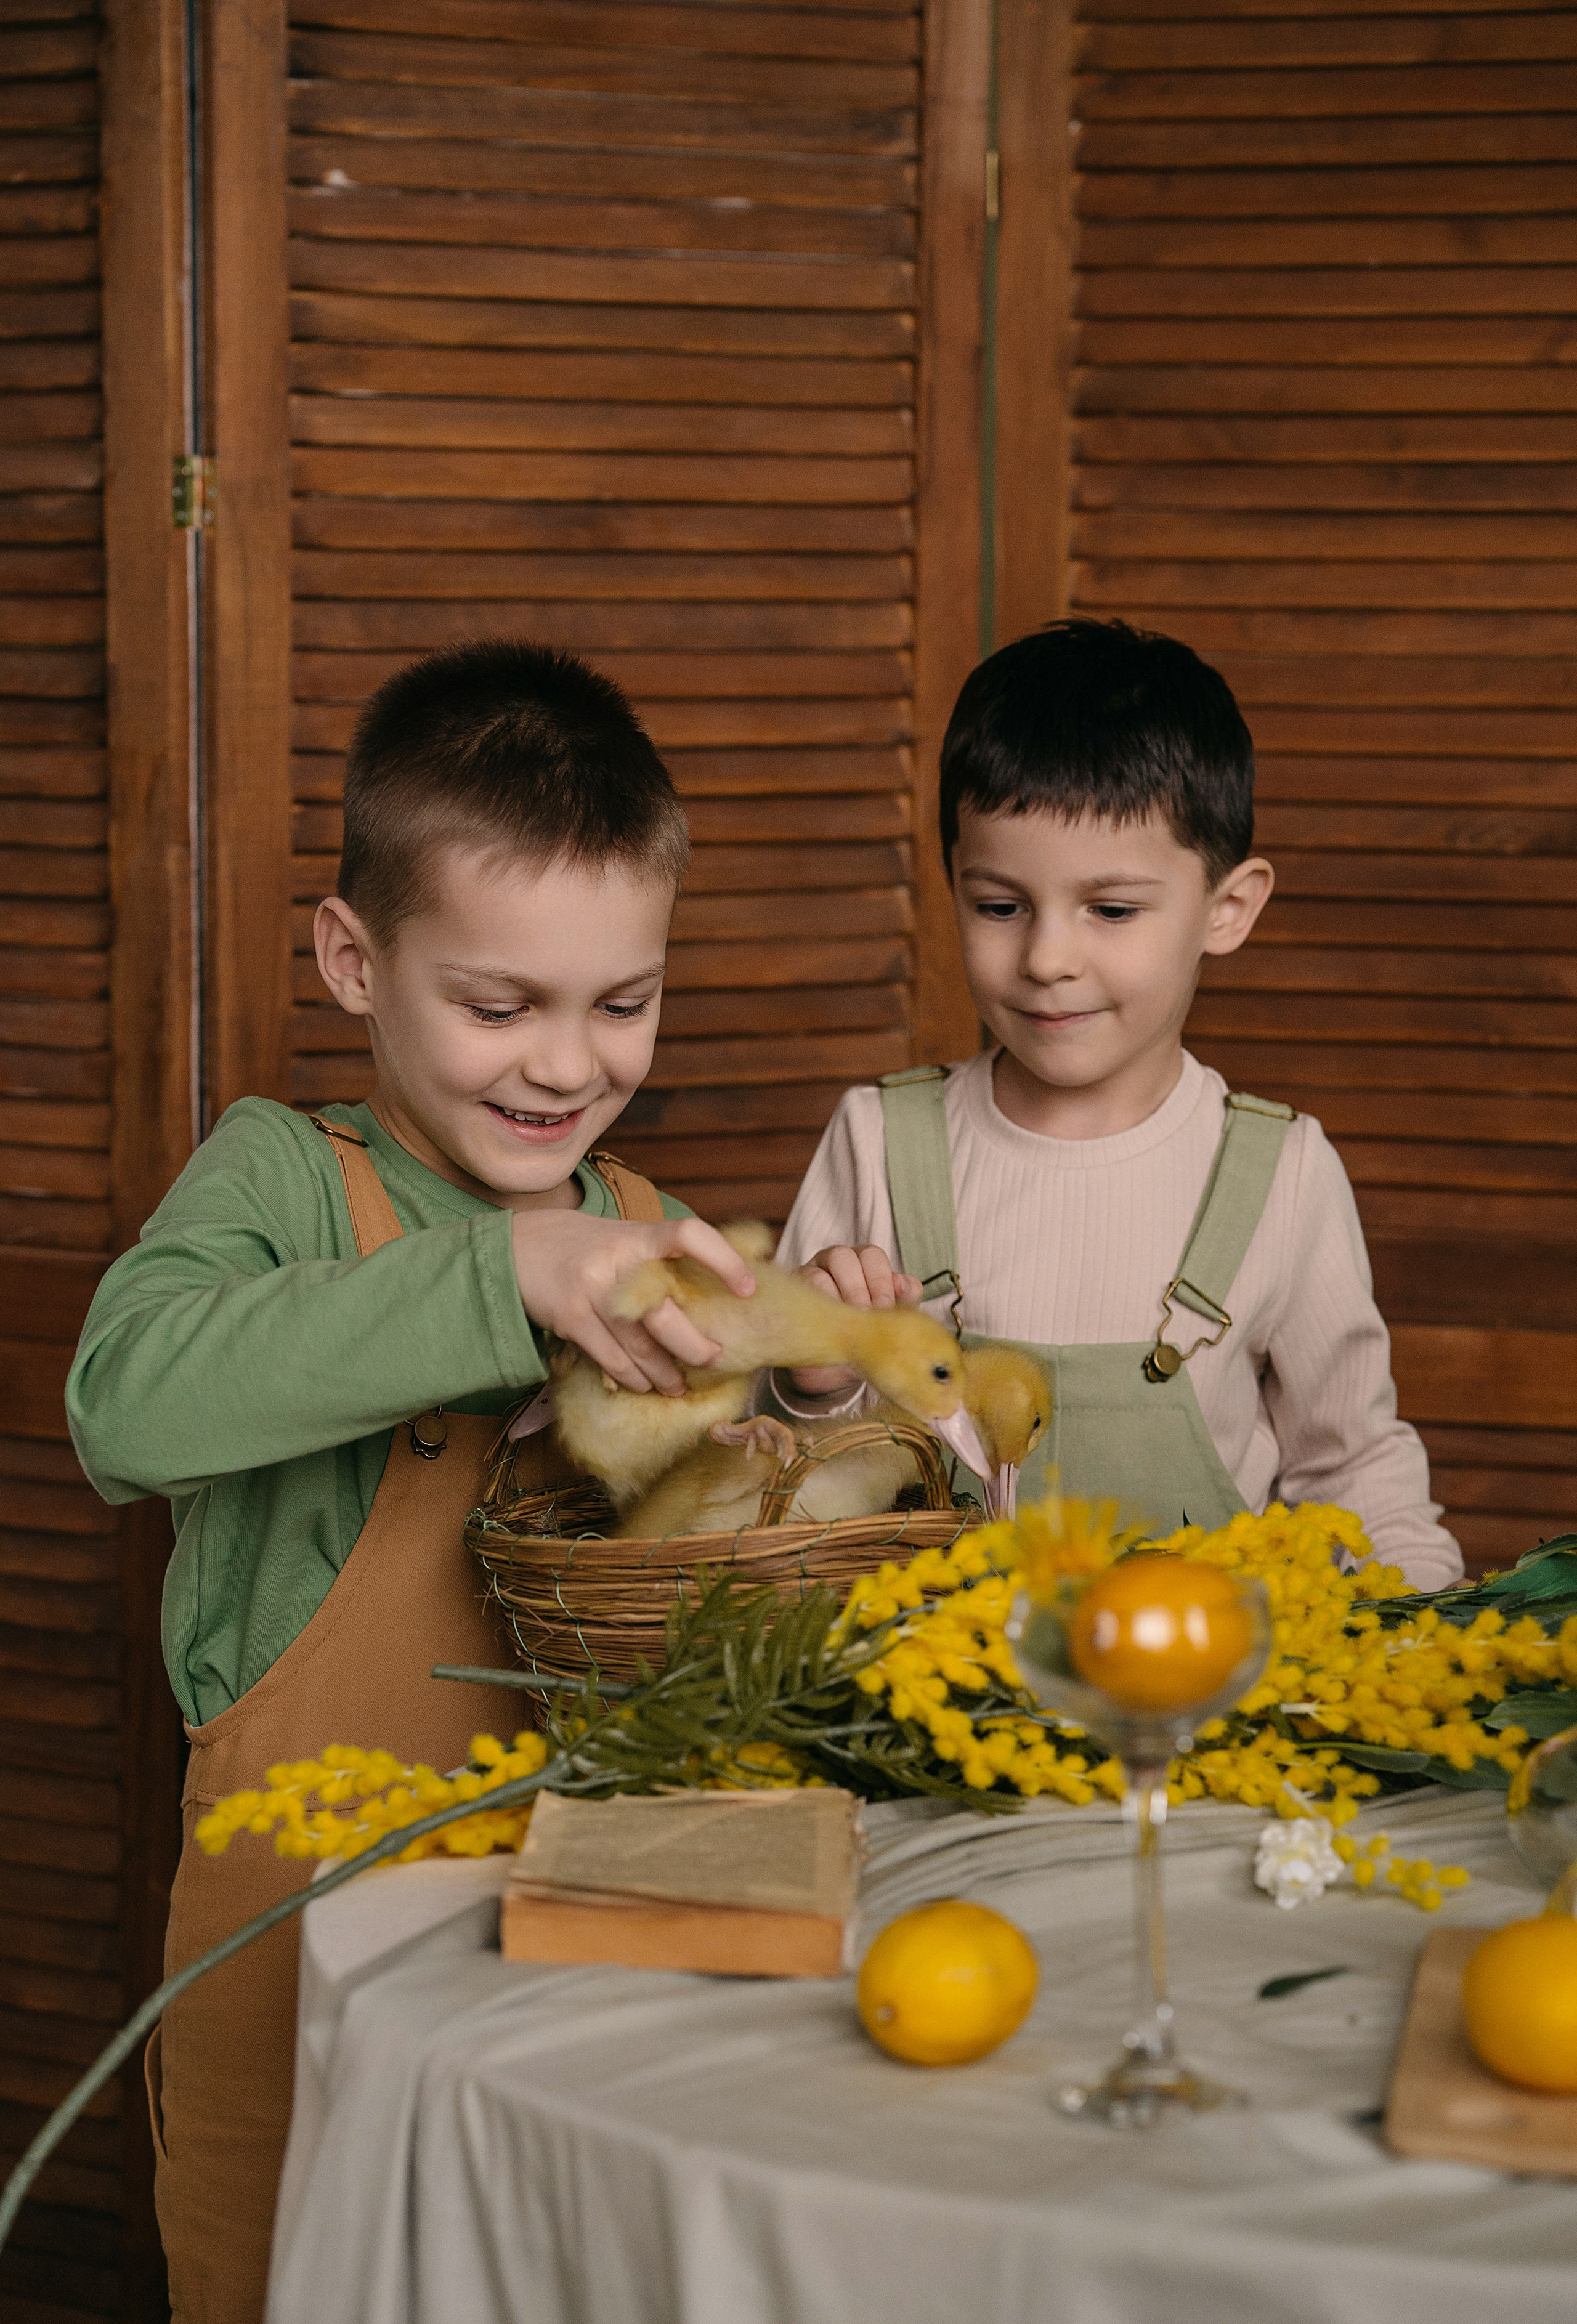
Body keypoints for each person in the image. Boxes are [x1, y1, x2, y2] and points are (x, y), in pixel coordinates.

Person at [67, 640, 756, 2324]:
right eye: (499, 1002)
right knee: (270, 2270)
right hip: (286, 1928)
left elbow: (712, 1540)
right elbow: (122, 1403)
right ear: (355, 960)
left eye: (625, 999)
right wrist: (501, 1276)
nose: (567, 1064)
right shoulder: (283, 1176)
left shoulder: (637, 1215)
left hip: (575, 1901)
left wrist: (792, 1375)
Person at [771, 618, 1461, 1592]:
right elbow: (787, 1472)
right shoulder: (881, 1140)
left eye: (1113, 910)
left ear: (1228, 908)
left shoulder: (1280, 1171)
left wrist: (1433, 1634)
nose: (1049, 957)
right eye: (1001, 906)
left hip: (1211, 1709)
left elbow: (1354, 1470)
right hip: (933, 1711)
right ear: (954, 889)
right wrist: (816, 1382)